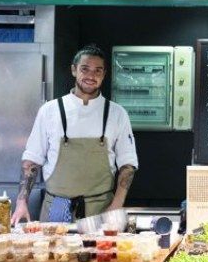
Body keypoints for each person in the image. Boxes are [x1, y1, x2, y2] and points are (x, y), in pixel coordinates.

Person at [11, 44, 138, 224]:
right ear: (74, 70)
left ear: (104, 74)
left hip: (101, 209)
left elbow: (127, 165)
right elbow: (31, 162)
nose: (91, 76)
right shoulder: (50, 110)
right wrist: (21, 202)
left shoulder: (117, 114)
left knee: (100, 253)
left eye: (98, 71)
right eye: (85, 69)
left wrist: (116, 205)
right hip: (56, 206)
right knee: (54, 253)